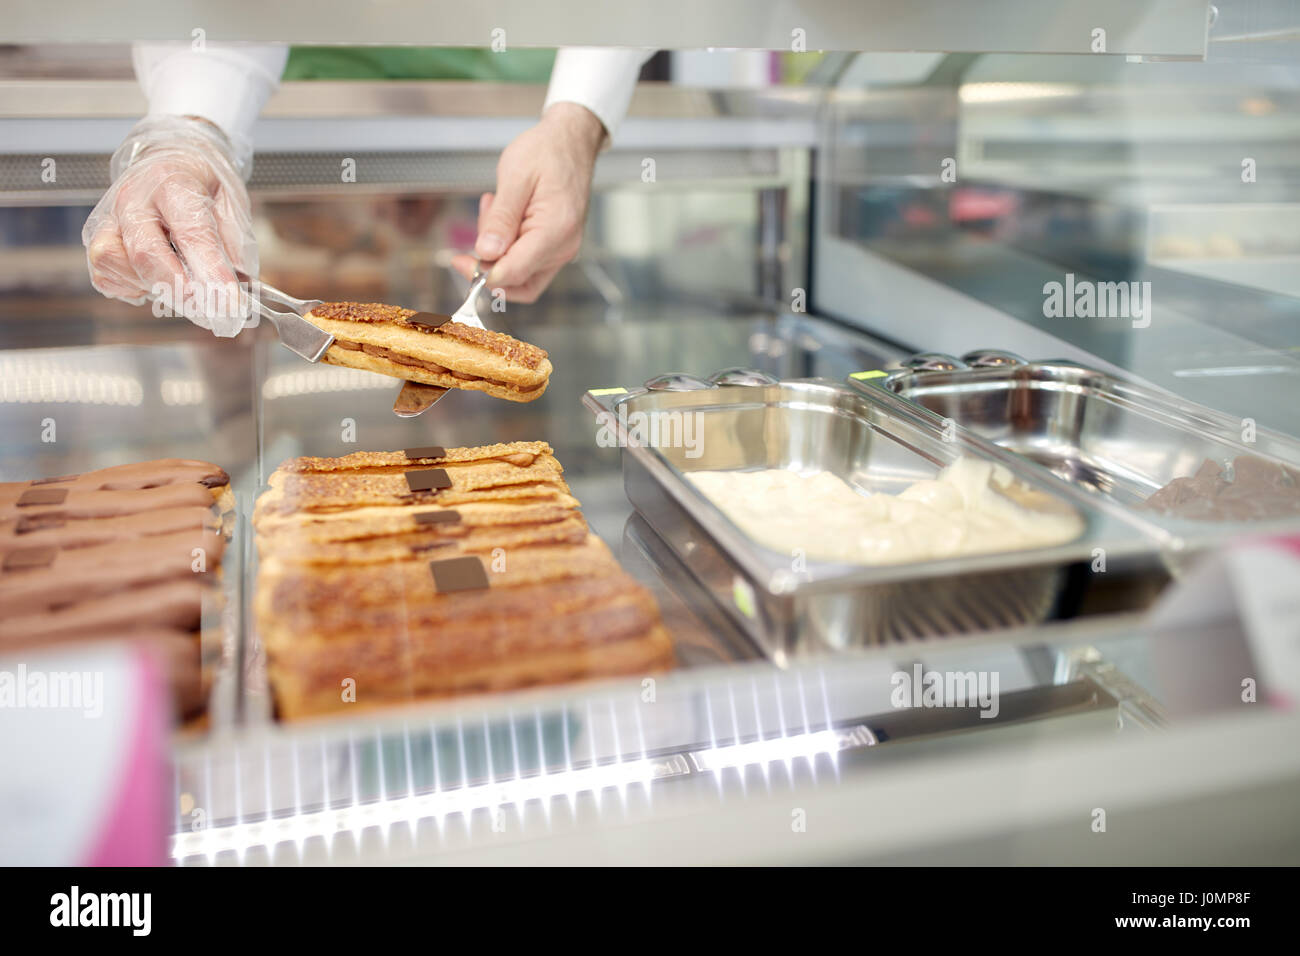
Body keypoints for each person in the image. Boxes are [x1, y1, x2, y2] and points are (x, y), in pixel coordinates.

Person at [83, 44, 652, 336]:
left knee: (528, 329)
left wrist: (578, 118)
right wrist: (194, 124)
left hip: (521, 115)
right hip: (293, 129)